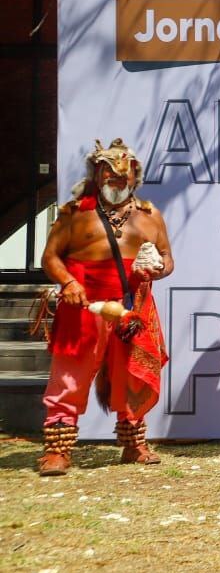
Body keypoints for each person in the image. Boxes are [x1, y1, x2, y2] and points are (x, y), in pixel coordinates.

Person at [37, 139, 172, 476]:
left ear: (134, 177)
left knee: (133, 374)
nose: (115, 180)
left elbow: (167, 259)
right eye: (108, 175)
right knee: (69, 377)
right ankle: (57, 451)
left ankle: (134, 444)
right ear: (96, 176)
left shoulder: (150, 216)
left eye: (122, 176)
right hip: (83, 305)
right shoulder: (73, 214)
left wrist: (159, 268)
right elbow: (50, 257)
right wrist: (68, 282)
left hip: (132, 307)